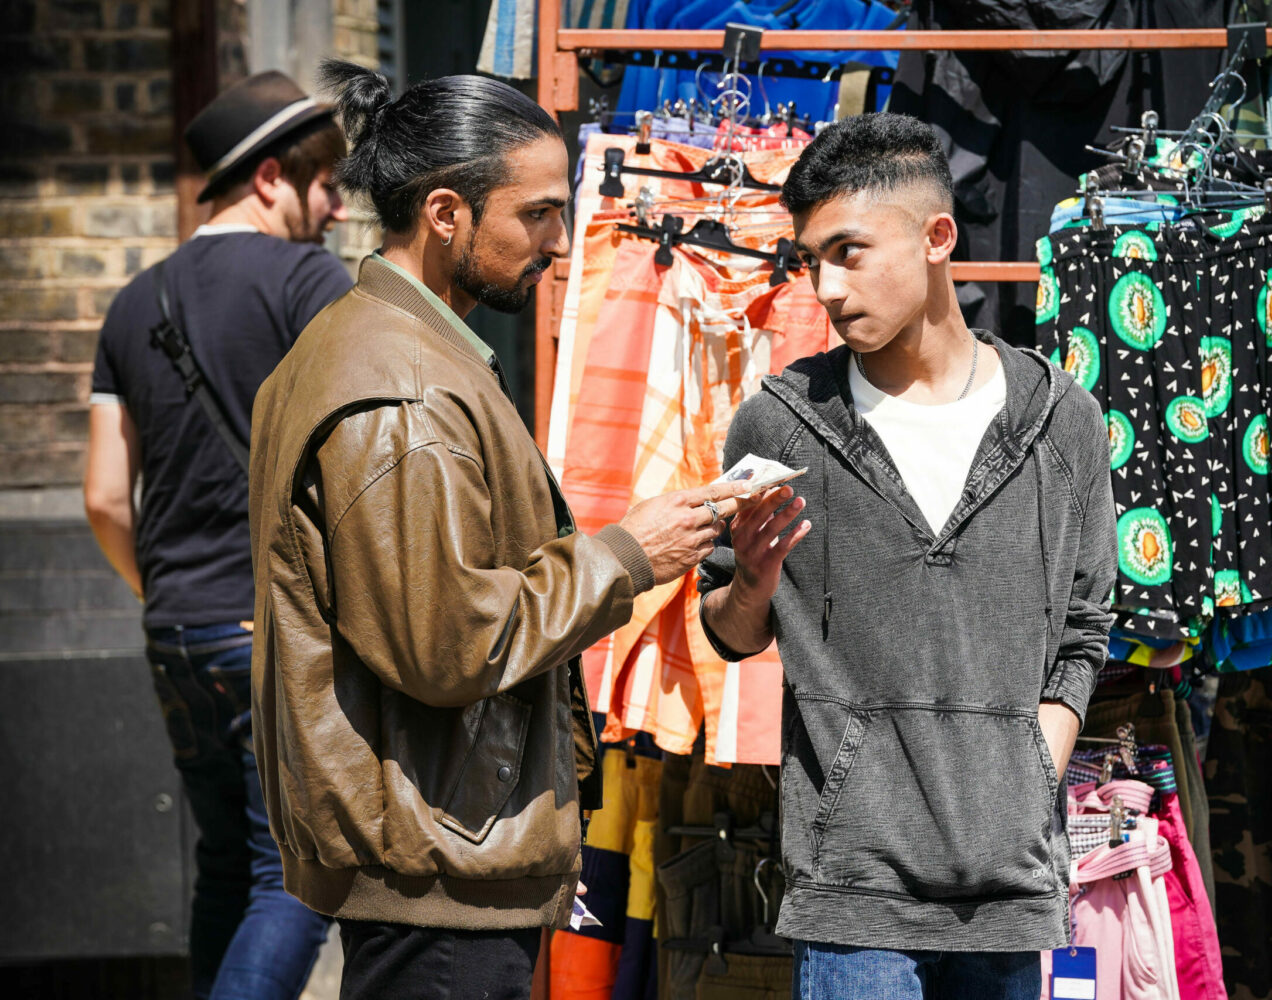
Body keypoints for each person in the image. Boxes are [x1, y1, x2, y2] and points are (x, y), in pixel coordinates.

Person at [248, 62, 753, 999]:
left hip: (439, 849)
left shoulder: (399, 349)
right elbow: (450, 641)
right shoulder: (404, 388)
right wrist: (631, 554)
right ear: (447, 212)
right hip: (439, 865)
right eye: (538, 214)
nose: (560, 242)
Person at [699, 112, 1117, 999]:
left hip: (1006, 880)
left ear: (936, 238)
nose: (825, 287)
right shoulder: (779, 421)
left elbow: (1085, 624)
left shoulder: (1061, 420)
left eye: (849, 252)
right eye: (810, 258)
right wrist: (754, 587)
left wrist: (1038, 750)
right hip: (851, 885)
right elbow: (729, 630)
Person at [83, 71, 351, 1000]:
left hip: (175, 633)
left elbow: (104, 497)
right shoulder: (312, 282)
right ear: (272, 177)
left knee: (226, 865)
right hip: (268, 630)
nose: (338, 207)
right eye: (327, 185)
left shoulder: (133, 301)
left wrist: (163, 597)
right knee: (298, 873)